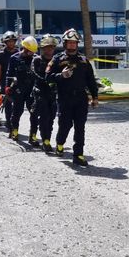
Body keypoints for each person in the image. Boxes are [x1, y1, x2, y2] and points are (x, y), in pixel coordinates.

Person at [46, 28, 98, 166]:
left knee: (80, 127)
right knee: (65, 125)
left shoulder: (83, 60)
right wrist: (61, 76)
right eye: (69, 43)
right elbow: (47, 77)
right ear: (65, 44)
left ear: (77, 44)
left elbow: (91, 80)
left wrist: (95, 97)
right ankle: (60, 143)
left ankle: (78, 155)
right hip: (64, 99)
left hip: (81, 99)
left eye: (74, 43)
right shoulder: (57, 59)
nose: (72, 45)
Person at [6, 36, 40, 143]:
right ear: (24, 48)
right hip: (18, 90)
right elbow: (9, 74)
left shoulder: (36, 59)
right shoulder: (14, 58)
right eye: (29, 51)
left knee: (34, 113)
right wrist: (7, 88)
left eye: (32, 51)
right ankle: (14, 131)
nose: (31, 53)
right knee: (17, 112)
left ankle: (33, 135)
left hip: (31, 91)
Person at [32, 34, 59, 152]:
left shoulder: (57, 60)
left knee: (51, 118)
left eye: (52, 47)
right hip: (41, 92)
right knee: (44, 117)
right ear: (42, 48)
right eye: (47, 47)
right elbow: (35, 74)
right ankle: (45, 140)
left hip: (53, 93)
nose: (49, 50)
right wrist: (49, 80)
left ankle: (47, 137)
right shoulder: (37, 60)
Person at [0, 31, 19, 132]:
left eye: (12, 41)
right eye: (9, 41)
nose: (11, 43)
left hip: (18, 81)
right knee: (8, 102)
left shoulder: (18, 53)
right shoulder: (1, 54)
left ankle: (14, 121)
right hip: (5, 81)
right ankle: (9, 123)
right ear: (5, 42)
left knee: (18, 103)